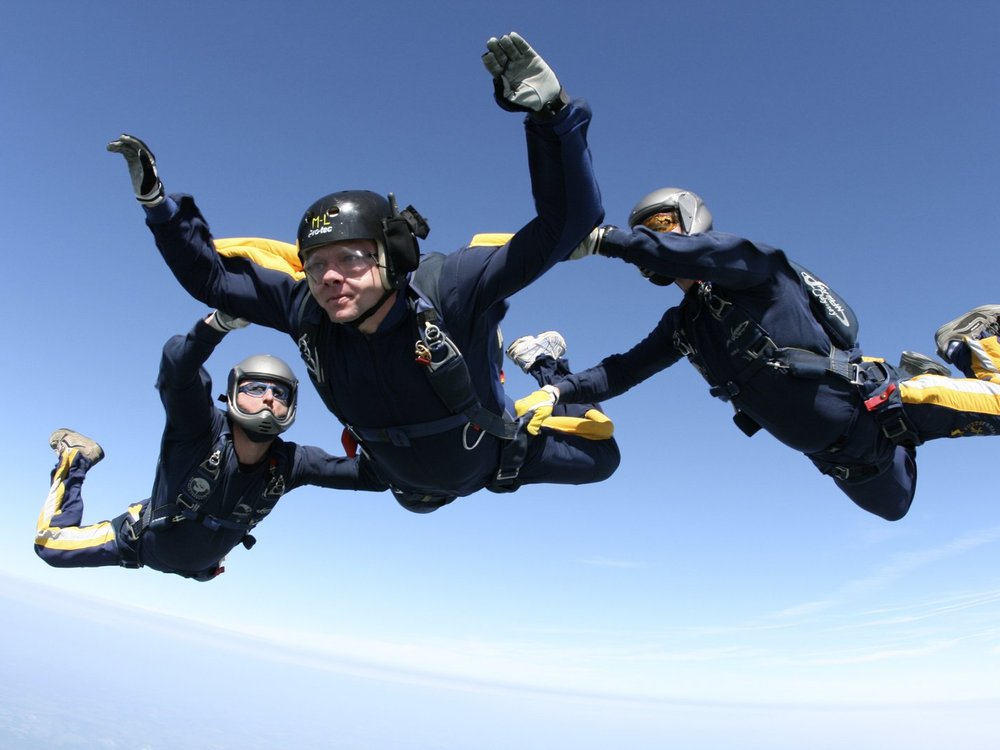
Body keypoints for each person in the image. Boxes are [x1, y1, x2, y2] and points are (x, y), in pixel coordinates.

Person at [106, 32, 620, 513]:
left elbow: (567, 223)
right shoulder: (305, 309)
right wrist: (160, 210)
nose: (329, 278)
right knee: (413, 500)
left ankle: (547, 366)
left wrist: (552, 116)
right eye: (315, 265)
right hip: (406, 483)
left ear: (393, 256)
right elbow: (211, 281)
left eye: (350, 259)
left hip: (493, 460)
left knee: (604, 460)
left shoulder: (454, 289)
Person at [516, 187, 1000, 521]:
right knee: (896, 507)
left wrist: (606, 240)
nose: (654, 237)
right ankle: (941, 379)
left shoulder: (755, 271)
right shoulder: (684, 325)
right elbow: (620, 371)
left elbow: (717, 255)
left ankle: (975, 339)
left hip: (883, 406)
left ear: (691, 221)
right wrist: (557, 389)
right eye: (646, 230)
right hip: (845, 457)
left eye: (662, 224)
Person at [35, 311, 388, 581]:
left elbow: (374, 476)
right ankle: (76, 457)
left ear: (291, 405)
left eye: (279, 392)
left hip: (197, 563)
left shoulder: (292, 462)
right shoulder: (199, 429)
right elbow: (177, 370)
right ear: (232, 393)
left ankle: (200, 567)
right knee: (51, 546)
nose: (268, 398)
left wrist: (401, 439)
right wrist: (215, 325)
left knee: (201, 568)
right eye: (255, 388)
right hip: (139, 542)